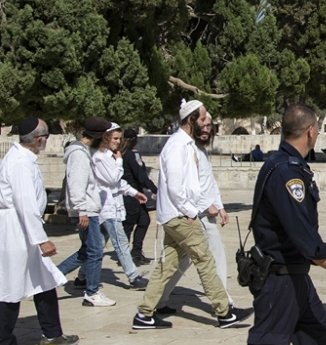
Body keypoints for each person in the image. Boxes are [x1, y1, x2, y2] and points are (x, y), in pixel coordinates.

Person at [242, 104, 326, 345]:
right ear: (310, 131)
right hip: (279, 279)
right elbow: (302, 234)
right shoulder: (286, 171)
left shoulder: (289, 165)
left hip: (296, 277)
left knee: (320, 343)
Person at [134, 100, 249, 329]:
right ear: (190, 120)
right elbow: (177, 188)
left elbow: (196, 183)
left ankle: (144, 314)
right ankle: (224, 313)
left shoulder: (186, 145)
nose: (207, 123)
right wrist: (190, 212)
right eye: (202, 118)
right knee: (205, 261)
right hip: (180, 216)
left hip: (177, 214)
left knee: (168, 266)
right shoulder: (177, 146)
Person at [0, 118, 79, 345]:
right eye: (47, 137)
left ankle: (52, 334)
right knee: (10, 284)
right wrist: (41, 240)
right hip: (16, 229)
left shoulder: (24, 159)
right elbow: (25, 203)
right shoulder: (20, 162)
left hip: (22, 227)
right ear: (39, 139)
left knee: (44, 280)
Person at [154, 110, 240, 314]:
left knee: (180, 259)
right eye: (203, 125)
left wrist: (219, 206)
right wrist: (204, 207)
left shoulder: (202, 151)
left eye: (210, 126)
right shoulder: (186, 149)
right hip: (196, 215)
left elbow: (208, 182)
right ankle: (224, 303)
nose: (206, 130)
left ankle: (159, 299)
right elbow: (188, 186)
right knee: (214, 255)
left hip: (204, 211)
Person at [57, 116, 112, 307]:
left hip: (89, 209)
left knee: (87, 250)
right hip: (86, 211)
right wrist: (82, 210)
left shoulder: (83, 152)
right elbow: (76, 184)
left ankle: (50, 278)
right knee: (95, 250)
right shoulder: (79, 155)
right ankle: (92, 292)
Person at [92, 124, 148, 290]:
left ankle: (80, 275)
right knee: (121, 243)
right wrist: (119, 161)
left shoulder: (110, 157)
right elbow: (112, 178)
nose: (118, 142)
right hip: (108, 208)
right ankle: (133, 277)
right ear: (106, 138)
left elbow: (118, 183)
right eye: (115, 138)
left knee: (96, 246)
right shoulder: (100, 158)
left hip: (114, 205)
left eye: (119, 139)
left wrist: (133, 192)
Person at [120, 128, 157, 265]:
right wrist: (155, 189)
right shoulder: (130, 155)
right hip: (132, 195)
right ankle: (124, 255)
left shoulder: (126, 154)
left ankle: (136, 251)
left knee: (144, 221)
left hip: (137, 195)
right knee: (128, 226)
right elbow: (141, 175)